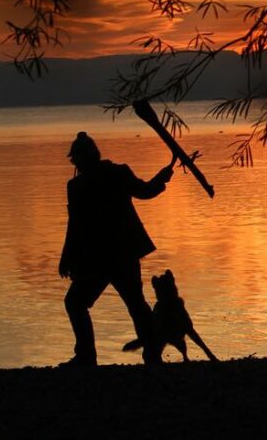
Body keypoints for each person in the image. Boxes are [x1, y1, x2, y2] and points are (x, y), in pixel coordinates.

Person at [58, 131, 174, 366]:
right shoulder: (114, 174)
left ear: (79, 161)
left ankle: (87, 356)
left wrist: (68, 257)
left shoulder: (80, 185)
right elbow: (145, 191)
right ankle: (151, 355)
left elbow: (75, 225)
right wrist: (160, 179)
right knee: (134, 304)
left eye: (78, 161)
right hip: (117, 254)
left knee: (79, 303)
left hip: (101, 258)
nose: (78, 165)